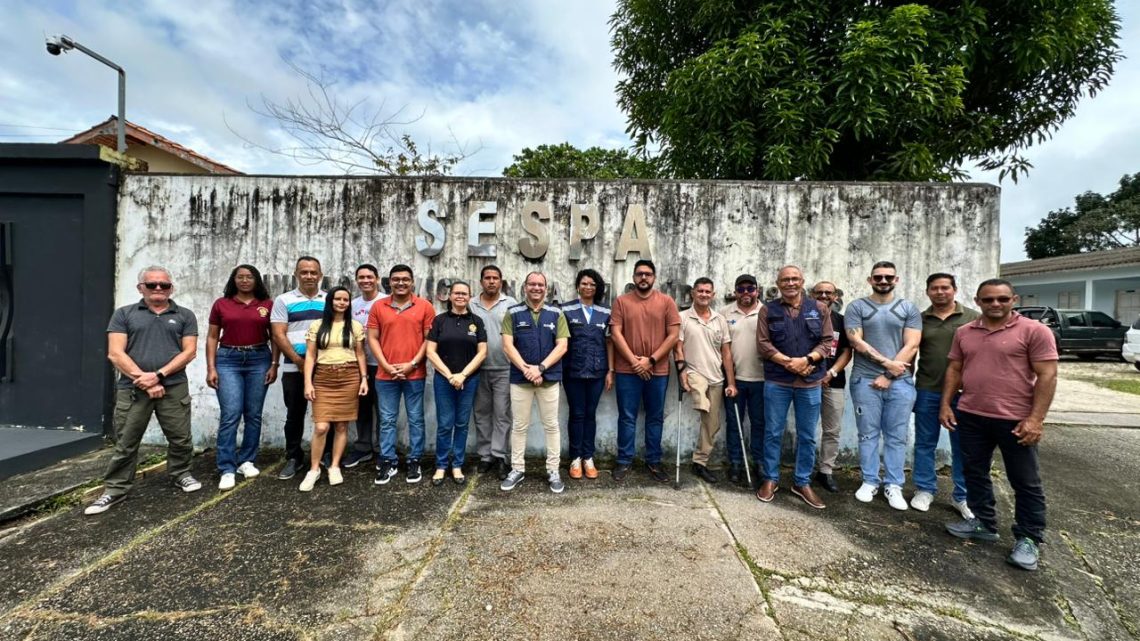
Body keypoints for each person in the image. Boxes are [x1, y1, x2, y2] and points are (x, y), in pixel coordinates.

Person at [942, 279, 1057, 572]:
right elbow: (955, 369)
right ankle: (983, 522)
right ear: (978, 301)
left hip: (1016, 419)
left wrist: (1036, 419)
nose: (996, 304)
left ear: (1013, 299)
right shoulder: (965, 332)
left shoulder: (1034, 331)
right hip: (971, 414)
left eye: (1002, 299)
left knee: (1025, 481)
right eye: (989, 299)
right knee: (974, 472)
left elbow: (1047, 375)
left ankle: (1029, 538)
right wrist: (946, 404)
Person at [85, 266, 200, 515]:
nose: (158, 289)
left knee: (180, 438)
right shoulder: (124, 315)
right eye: (152, 285)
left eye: (164, 285)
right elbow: (115, 353)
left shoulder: (184, 315)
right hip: (133, 388)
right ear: (141, 288)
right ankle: (115, 490)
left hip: (173, 386)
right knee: (127, 441)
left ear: (171, 288)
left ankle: (181, 473)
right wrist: (146, 380)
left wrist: (159, 375)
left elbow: (189, 351)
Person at [845, 261, 922, 511]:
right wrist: (887, 363)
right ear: (870, 280)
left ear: (896, 279)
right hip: (864, 380)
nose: (883, 281)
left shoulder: (908, 308)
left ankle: (894, 484)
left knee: (896, 436)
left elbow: (912, 345)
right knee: (867, 433)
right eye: (878, 277)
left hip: (900, 383)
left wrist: (889, 374)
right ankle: (869, 480)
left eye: (888, 277)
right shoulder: (857, 307)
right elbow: (856, 341)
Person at [755, 266, 832, 509]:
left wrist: (807, 361)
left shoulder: (819, 309)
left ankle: (801, 482)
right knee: (773, 432)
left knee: (807, 435)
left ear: (802, 281)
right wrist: (790, 363)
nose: (790, 283)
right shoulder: (768, 310)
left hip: (810, 382)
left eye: (794, 279)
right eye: (785, 279)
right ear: (778, 283)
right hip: (778, 381)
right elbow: (763, 344)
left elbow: (827, 342)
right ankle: (770, 478)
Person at [912, 273, 979, 516]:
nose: (940, 292)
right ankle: (925, 489)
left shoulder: (973, 318)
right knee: (925, 442)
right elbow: (910, 354)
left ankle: (961, 496)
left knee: (962, 446)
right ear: (928, 292)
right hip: (928, 389)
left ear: (954, 289)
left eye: (945, 288)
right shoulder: (920, 320)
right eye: (935, 288)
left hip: (965, 393)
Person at [206, 264, 277, 491]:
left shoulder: (267, 305)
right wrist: (211, 367)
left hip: (259, 358)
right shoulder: (222, 304)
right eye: (240, 277)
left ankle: (246, 460)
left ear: (256, 280)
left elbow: (275, 337)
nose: (245, 281)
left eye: (249, 277)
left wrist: (274, 364)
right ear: (233, 280)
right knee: (231, 414)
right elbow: (212, 337)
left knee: (253, 414)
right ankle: (226, 467)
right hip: (228, 359)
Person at [610, 259, 681, 482]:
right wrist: (634, 362)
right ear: (633, 277)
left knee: (655, 417)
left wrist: (650, 361)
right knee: (627, 417)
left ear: (654, 277)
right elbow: (616, 334)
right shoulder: (621, 302)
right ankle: (624, 461)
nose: (643, 277)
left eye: (648, 274)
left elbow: (673, 336)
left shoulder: (667, 302)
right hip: (626, 371)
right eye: (639, 274)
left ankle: (654, 461)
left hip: (657, 371)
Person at [500, 272, 570, 493]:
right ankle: (517, 469)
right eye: (532, 284)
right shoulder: (513, 313)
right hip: (521, 379)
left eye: (540, 285)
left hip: (548, 379)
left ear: (546, 288)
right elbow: (507, 346)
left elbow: (562, 346)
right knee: (519, 426)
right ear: (525, 287)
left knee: (551, 426)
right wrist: (527, 370)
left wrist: (540, 368)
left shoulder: (556, 313)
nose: (536, 288)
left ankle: (553, 470)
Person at [368, 264, 435, 485]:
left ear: (412, 281)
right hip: (385, 375)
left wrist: (412, 363)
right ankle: (388, 460)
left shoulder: (424, 306)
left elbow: (429, 340)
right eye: (396, 279)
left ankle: (414, 459)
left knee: (416, 419)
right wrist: (386, 365)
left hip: (414, 373)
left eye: (405, 279)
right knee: (387, 420)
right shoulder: (379, 306)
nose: (400, 283)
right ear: (389, 282)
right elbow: (372, 338)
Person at [299, 286, 369, 491]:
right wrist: (308, 382)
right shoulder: (318, 325)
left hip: (349, 376)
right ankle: (314, 469)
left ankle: (335, 466)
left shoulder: (354, 326)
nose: (341, 303)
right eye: (337, 299)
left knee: (341, 426)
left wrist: (364, 379)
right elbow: (310, 356)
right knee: (321, 427)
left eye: (345, 300)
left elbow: (361, 354)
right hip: (323, 378)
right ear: (330, 302)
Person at [425, 280, 487, 486]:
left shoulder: (476, 321)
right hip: (444, 380)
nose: (460, 296)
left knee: (461, 424)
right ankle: (441, 465)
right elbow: (430, 352)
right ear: (450, 296)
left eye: (465, 293)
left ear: (470, 297)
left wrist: (463, 375)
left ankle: (457, 465)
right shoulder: (440, 320)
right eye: (457, 293)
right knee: (444, 424)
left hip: (469, 380)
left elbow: (482, 353)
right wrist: (450, 375)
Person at [270, 256, 327, 481]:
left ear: (320, 275)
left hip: (325, 367)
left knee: (327, 412)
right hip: (294, 367)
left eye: (313, 272)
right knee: (295, 413)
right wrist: (298, 361)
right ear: (297, 274)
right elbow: (278, 334)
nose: (309, 276)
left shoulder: (329, 299)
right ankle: (294, 456)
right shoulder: (284, 300)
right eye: (304, 272)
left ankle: (326, 454)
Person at [675, 277, 736, 483]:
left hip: (717, 378)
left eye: (707, 292)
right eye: (700, 291)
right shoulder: (683, 317)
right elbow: (678, 347)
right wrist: (682, 371)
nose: (703, 294)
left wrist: (731, 382)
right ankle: (701, 403)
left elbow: (726, 353)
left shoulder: (720, 320)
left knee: (712, 424)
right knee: (700, 393)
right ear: (693, 293)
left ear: (713, 295)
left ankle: (699, 462)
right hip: (693, 371)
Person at [561, 269, 614, 480]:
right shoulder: (565, 309)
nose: (588, 287)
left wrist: (610, 370)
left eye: (592, 284)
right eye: (584, 283)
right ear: (577, 286)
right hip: (572, 371)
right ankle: (575, 458)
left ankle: (588, 457)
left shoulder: (605, 311)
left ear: (597, 288)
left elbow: (609, 342)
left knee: (590, 414)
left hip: (597, 372)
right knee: (576, 413)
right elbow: (560, 341)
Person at [471, 265, 518, 479]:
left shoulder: (510, 304)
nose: (491, 281)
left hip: (504, 368)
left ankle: (500, 456)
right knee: (481, 413)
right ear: (481, 281)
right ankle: (485, 456)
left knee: (501, 414)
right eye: (487, 278)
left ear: (501, 281)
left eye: (495, 278)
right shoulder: (471, 304)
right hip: (476, 369)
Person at [722, 274, 765, 487]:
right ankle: (736, 463)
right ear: (735, 291)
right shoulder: (725, 313)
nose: (746, 293)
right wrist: (730, 381)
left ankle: (759, 462)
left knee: (759, 423)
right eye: (741, 289)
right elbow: (724, 349)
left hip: (763, 380)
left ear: (757, 290)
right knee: (734, 424)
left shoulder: (766, 311)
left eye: (750, 289)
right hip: (735, 379)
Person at [810, 280, 853, 494]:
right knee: (806, 429)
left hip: (833, 381)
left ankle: (825, 471)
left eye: (829, 292)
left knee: (832, 430)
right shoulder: (804, 317)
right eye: (820, 292)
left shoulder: (842, 321)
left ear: (835, 296)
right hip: (806, 381)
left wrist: (831, 372)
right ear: (811, 294)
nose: (824, 295)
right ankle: (804, 470)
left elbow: (846, 351)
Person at [344, 264, 382, 469]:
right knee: (362, 408)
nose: (365, 280)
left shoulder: (386, 301)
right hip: (359, 364)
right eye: (361, 277)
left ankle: (382, 449)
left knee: (384, 410)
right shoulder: (352, 304)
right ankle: (363, 447)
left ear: (377, 278)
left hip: (383, 364)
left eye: (369, 277)